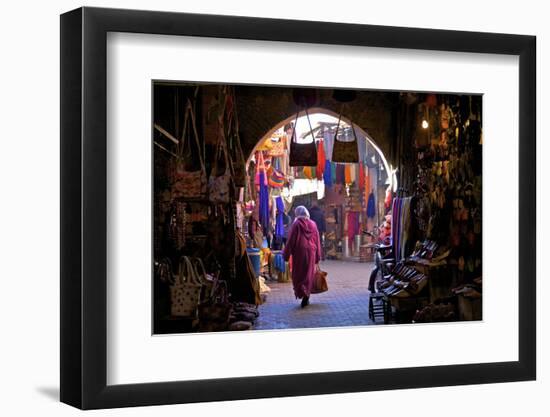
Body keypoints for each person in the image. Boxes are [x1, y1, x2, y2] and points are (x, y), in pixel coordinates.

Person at [283, 206, 322, 308]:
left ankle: (303, 292)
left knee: (298, 274)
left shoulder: (296, 224)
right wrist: (318, 256)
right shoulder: (313, 224)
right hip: (311, 252)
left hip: (299, 252)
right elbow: (317, 240)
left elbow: (291, 240)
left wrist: (286, 255)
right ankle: (306, 295)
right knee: (308, 274)